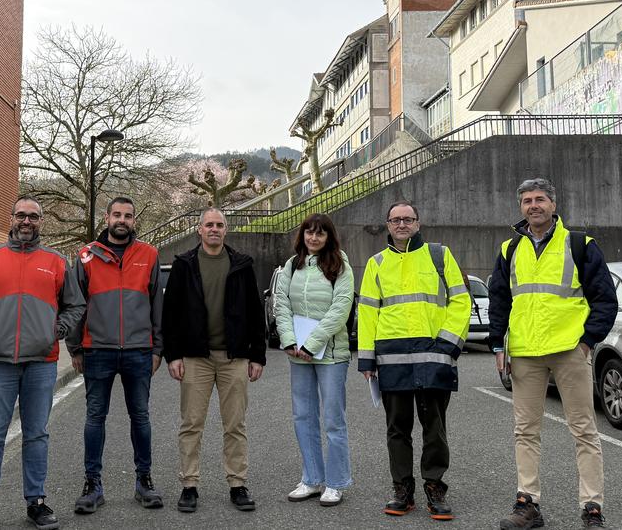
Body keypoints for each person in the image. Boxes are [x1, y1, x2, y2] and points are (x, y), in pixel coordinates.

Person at [488, 179, 617, 529]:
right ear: (520, 207)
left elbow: (605, 300)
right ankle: (527, 504)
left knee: (584, 431)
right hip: (525, 353)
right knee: (525, 431)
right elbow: (500, 301)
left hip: (569, 350)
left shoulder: (579, 244)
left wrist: (587, 341)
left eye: (540, 199)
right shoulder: (508, 249)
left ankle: (592, 507)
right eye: (527, 200)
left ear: (553, 203)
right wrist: (498, 344)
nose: (534, 206)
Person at [0, 196, 86, 530]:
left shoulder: (56, 262)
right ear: (11, 218)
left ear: (41, 221)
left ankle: (36, 502)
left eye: (34, 217)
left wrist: (57, 329)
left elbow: (75, 305)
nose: (27, 222)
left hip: (41, 362)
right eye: (21, 215)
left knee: (37, 434)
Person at [357, 201, 470, 522]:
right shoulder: (377, 263)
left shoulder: (439, 255)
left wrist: (449, 343)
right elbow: (367, 313)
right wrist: (367, 360)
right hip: (392, 360)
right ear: (388, 226)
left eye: (408, 219)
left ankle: (435, 487)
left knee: (434, 427)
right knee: (398, 429)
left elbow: (461, 300)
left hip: (435, 357)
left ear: (418, 223)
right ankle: (402, 489)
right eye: (396, 220)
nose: (402, 224)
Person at [162, 207, 267, 514]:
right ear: (199, 229)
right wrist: (173, 355)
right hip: (196, 358)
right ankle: (189, 486)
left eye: (219, 225)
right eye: (208, 224)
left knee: (235, 424)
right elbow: (171, 313)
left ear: (226, 230)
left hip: (234, 357)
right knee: (191, 424)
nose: (214, 229)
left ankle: (238, 485)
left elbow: (254, 311)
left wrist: (257, 355)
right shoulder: (184, 264)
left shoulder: (241, 264)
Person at [67, 196, 165, 514]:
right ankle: (92, 485)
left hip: (138, 351)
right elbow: (74, 305)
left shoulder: (149, 255)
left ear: (134, 220)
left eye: (128, 216)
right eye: (117, 214)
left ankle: (144, 482)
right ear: (107, 218)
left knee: (141, 418)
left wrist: (157, 348)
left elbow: (157, 307)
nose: (122, 220)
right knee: (95, 418)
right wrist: (75, 347)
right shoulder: (85, 256)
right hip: (98, 351)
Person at [274, 213, 355, 507]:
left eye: (320, 233)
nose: (314, 238)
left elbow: (341, 307)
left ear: (329, 236)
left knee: (333, 421)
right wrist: (290, 340)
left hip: (331, 356)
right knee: (303, 417)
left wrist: (313, 343)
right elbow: (280, 304)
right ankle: (311, 479)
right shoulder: (290, 266)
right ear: (302, 235)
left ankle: (335, 483)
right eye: (309, 232)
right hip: (298, 355)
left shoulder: (340, 265)